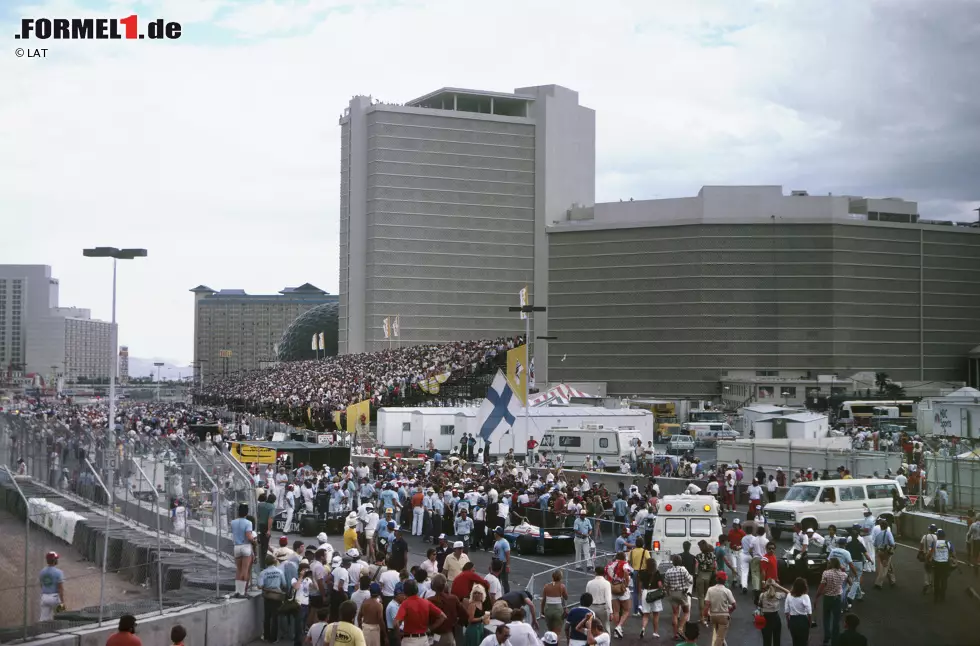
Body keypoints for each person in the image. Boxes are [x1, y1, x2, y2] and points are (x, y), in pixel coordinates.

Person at [814, 557, 848, 646]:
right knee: (836, 620)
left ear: (830, 564)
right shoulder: (843, 574)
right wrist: (843, 570)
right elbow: (850, 582)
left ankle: (827, 636)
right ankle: (835, 640)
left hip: (827, 598)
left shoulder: (826, 573)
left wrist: (817, 597)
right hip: (837, 599)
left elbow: (821, 586)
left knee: (826, 618)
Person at [663, 555, 693, 641]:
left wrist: (668, 593)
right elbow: (690, 580)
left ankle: (675, 634)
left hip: (673, 593)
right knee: (686, 612)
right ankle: (680, 628)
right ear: (680, 561)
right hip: (682, 593)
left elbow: (666, 584)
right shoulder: (683, 569)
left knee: (675, 614)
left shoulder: (668, 571)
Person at [701, 571, 735, 646]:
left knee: (720, 636)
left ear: (717, 579)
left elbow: (707, 604)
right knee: (720, 637)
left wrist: (705, 616)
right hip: (723, 616)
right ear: (725, 580)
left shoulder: (710, 590)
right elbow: (734, 605)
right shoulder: (727, 591)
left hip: (713, 616)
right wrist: (729, 611)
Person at [260, 554, 288, 642]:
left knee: (267, 617)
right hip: (277, 596)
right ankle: (274, 638)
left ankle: (266, 636)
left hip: (268, 596)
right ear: (274, 562)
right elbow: (284, 584)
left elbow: (260, 585)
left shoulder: (263, 572)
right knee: (275, 618)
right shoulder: (279, 572)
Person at [604, 552, 632, 637]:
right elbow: (626, 572)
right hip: (622, 589)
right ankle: (619, 626)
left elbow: (605, 576)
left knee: (616, 611)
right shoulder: (624, 564)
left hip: (612, 589)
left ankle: (617, 631)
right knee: (626, 610)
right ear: (624, 558)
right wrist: (626, 583)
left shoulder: (609, 565)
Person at [231, 503, 255, 597]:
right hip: (245, 546)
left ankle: (237, 591)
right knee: (245, 570)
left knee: (238, 569)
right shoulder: (248, 523)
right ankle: (242, 592)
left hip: (236, 546)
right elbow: (249, 536)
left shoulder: (233, 522)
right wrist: (254, 541)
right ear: (246, 512)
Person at [637, 555, 663, 638]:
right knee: (656, 614)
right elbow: (659, 585)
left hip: (645, 592)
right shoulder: (657, 572)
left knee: (646, 614)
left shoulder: (643, 572)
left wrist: (640, 593)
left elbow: (640, 584)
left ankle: (643, 628)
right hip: (655, 593)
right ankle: (655, 632)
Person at [757, 579, 788, 646]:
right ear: (775, 586)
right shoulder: (777, 595)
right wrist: (779, 586)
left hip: (766, 618)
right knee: (777, 640)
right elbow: (789, 593)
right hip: (776, 618)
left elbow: (759, 606)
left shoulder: (762, 595)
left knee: (766, 641)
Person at [928, 528, 955, 602]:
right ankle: (942, 596)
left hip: (937, 563)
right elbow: (953, 554)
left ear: (938, 535)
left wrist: (928, 558)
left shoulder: (934, 543)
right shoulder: (948, 543)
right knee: (944, 580)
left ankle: (936, 597)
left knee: (936, 580)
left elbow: (930, 553)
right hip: (945, 564)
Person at [540, 570, 568, 640]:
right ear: (561, 577)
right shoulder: (562, 586)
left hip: (548, 610)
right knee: (557, 633)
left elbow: (543, 600)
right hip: (558, 610)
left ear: (552, 577)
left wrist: (542, 611)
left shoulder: (546, 586)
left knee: (550, 632)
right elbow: (566, 597)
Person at [38, 551, 65, 622]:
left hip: (44, 597)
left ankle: (42, 632)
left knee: (43, 619)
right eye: (56, 559)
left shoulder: (42, 571)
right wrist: (62, 602)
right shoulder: (59, 572)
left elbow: (41, 585)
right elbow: (60, 589)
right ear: (54, 560)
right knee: (60, 617)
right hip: (55, 598)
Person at [784, 577, 812, 646]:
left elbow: (786, 611)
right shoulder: (805, 597)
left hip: (793, 621)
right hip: (803, 621)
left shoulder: (789, 595)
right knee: (804, 642)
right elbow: (809, 613)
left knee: (795, 641)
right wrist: (810, 623)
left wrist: (788, 622)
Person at [584, 566, 612, 633]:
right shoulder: (607, 583)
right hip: (603, 608)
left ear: (595, 573)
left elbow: (586, 596)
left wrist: (585, 608)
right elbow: (608, 598)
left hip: (591, 607)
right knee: (606, 627)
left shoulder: (589, 583)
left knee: (592, 627)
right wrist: (611, 611)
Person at [492, 527, 512, 593]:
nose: (494, 534)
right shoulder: (497, 542)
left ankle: (507, 595)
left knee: (504, 581)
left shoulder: (504, 542)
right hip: (497, 562)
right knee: (497, 580)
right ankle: (498, 593)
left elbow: (508, 554)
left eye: (495, 532)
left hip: (503, 563)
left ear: (498, 534)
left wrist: (508, 565)